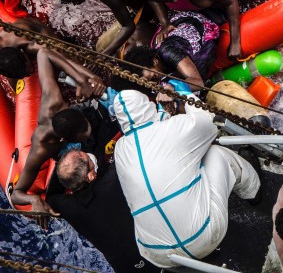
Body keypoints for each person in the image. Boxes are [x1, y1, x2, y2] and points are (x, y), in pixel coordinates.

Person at [108, 79, 261, 269]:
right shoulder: (173, 130)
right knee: (216, 153)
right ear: (148, 107)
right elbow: (209, 122)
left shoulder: (120, 149)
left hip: (158, 255)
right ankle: (254, 192)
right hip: (203, 237)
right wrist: (187, 95)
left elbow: (150, 132)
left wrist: (165, 112)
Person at [9, 48, 111, 227]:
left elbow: (43, 53)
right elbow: (16, 193)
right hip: (77, 157)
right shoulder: (42, 147)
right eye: (84, 133)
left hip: (85, 119)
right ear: (67, 139)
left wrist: (82, 80)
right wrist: (33, 200)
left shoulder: (53, 102)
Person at [45, 151, 159, 272]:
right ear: (90, 176)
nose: (91, 158)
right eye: (89, 159)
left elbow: (51, 195)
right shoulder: (113, 180)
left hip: (125, 266)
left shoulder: (69, 208)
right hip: (153, 250)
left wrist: (63, 167)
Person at [120, 10, 220, 89]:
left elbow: (198, 82)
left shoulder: (169, 52)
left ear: (154, 61)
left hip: (197, 22)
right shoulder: (159, 72)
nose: (154, 82)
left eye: (153, 78)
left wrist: (172, 89)